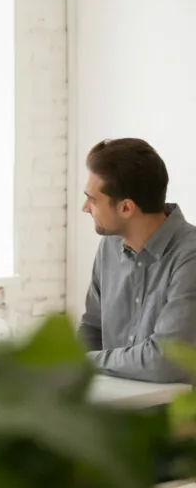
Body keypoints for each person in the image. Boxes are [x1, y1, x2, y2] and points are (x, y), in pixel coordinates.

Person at [78, 138, 196, 383]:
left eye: (93, 199)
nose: (85, 207)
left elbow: (164, 361)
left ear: (126, 208)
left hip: (174, 417)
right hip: (118, 407)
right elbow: (91, 330)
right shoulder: (109, 246)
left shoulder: (190, 256)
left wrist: (88, 361)